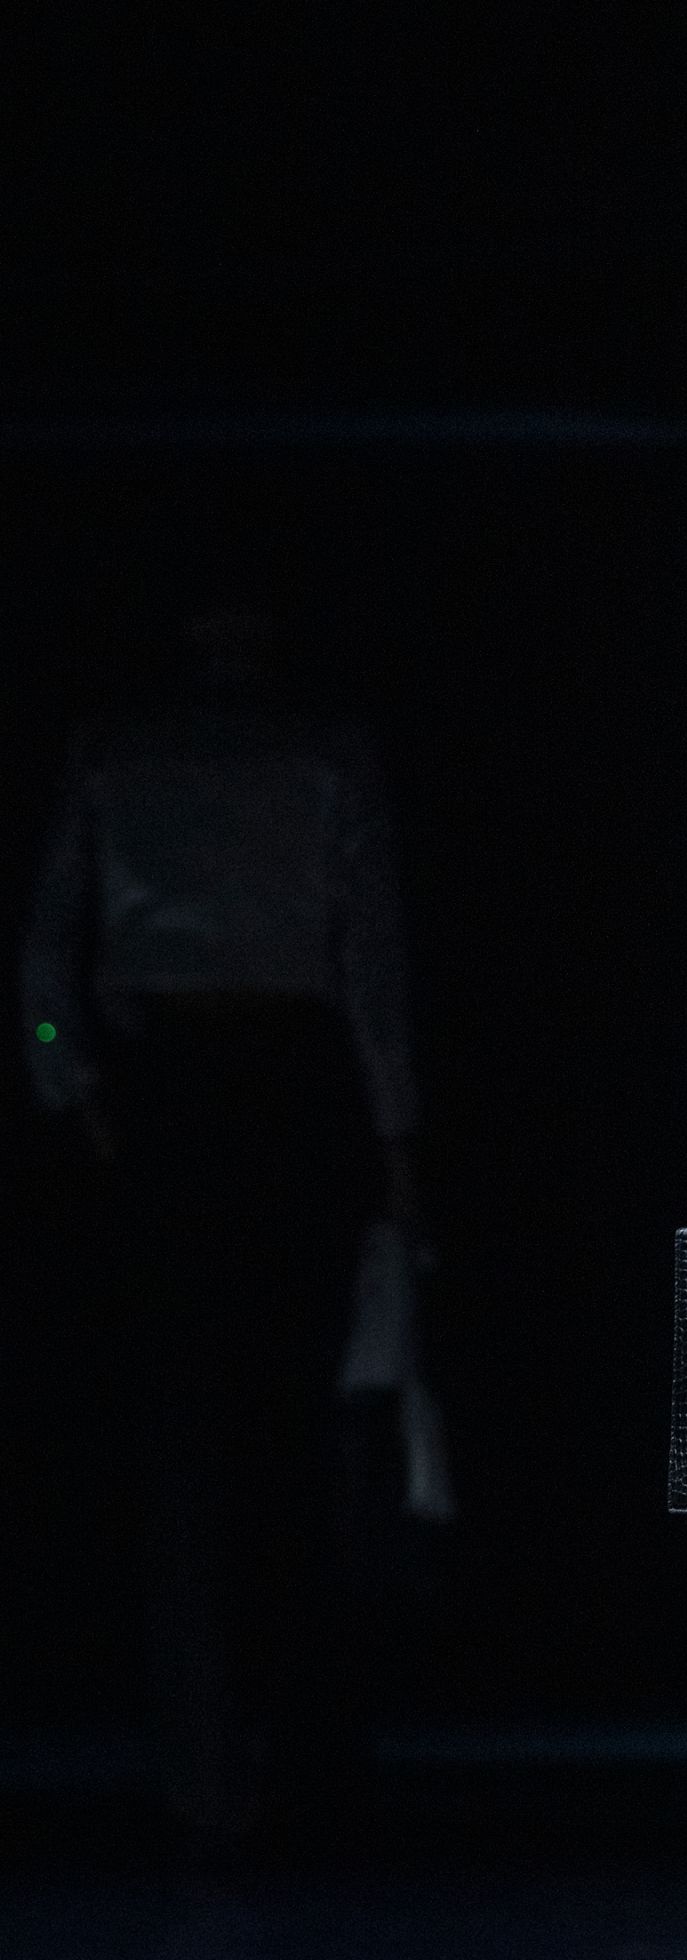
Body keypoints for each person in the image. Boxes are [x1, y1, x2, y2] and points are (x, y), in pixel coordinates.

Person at [18, 585, 426, 1857]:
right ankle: (294, 1762)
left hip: (181, 1095)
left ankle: (215, 1769)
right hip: (278, 1092)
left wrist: (82, 1090)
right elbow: (368, 958)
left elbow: (45, 964)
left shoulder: (124, 749)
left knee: (189, 1441)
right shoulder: (308, 750)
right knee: (288, 1436)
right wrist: (394, 1137)